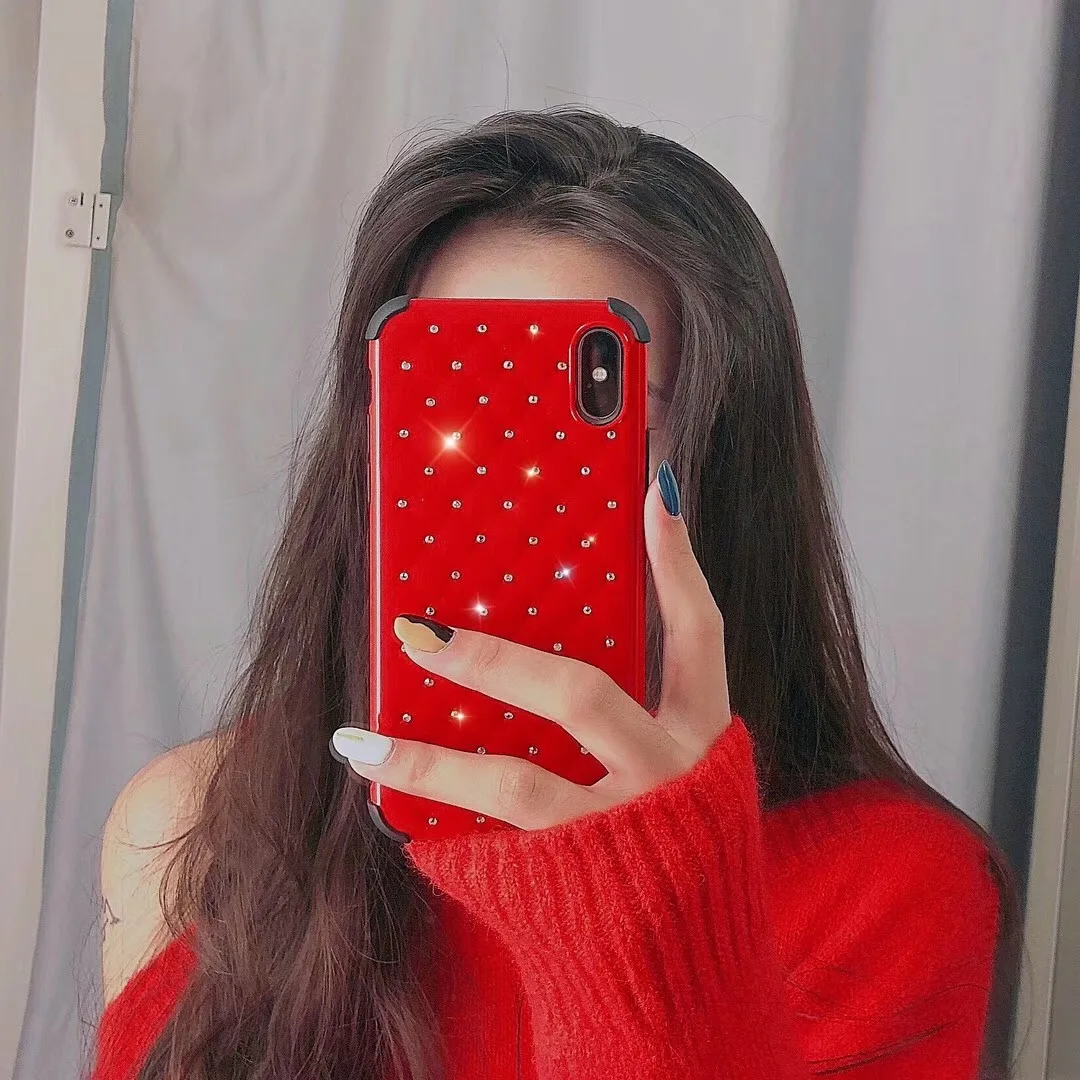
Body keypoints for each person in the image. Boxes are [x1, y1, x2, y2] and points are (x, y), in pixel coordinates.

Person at [92, 107, 1021, 1080]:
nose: (504, 489)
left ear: (721, 471)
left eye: (574, 428)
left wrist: (642, 909)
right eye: (449, 401)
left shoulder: (893, 888)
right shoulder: (194, 822)